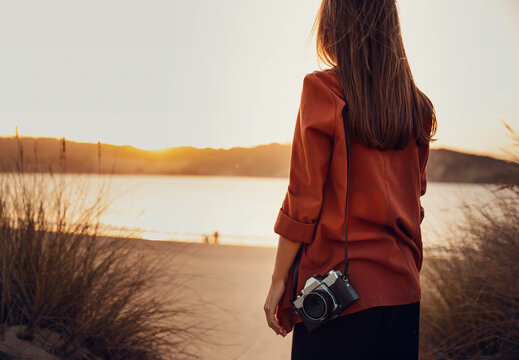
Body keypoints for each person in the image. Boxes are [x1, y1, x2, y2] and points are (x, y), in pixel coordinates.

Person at [263, 1, 438, 359]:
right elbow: (414, 205)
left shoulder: (323, 90)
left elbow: (303, 200)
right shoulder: (417, 106)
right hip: (403, 293)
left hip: (338, 295)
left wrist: (278, 281)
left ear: (334, 23)